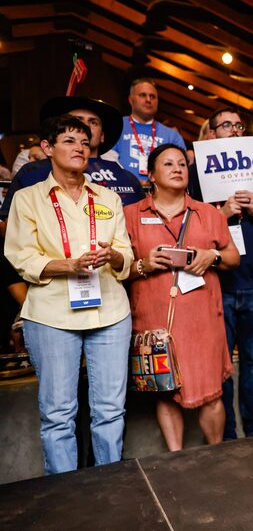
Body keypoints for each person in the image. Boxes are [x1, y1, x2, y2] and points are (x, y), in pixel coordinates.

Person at [4, 115, 134, 474]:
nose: (80, 148)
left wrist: (116, 255)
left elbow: (127, 251)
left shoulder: (107, 197)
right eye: (69, 141)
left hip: (110, 311)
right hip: (51, 315)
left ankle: (110, 488)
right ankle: (64, 500)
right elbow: (20, 254)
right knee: (58, 414)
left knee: (110, 410)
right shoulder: (28, 197)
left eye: (84, 142)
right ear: (47, 148)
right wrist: (69, 265)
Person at [124, 144, 240, 450]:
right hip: (154, 317)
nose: (178, 169)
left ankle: (216, 454)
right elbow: (118, 268)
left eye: (182, 164)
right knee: (164, 388)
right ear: (151, 174)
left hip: (202, 318)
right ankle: (174, 458)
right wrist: (143, 264)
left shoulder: (209, 213)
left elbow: (233, 257)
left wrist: (211, 255)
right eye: (168, 164)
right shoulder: (131, 216)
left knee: (211, 390)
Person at [188, 107, 253, 441]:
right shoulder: (197, 172)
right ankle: (225, 438)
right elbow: (189, 230)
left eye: (238, 125)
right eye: (225, 124)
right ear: (210, 133)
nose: (233, 129)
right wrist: (220, 214)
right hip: (217, 282)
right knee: (222, 365)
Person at [0, 96, 146, 222]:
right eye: (76, 121)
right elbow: (10, 226)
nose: (84, 126)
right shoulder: (32, 172)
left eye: (93, 122)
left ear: (102, 136)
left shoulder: (126, 179)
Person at [112, 78, 186, 181]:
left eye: (152, 96)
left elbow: (181, 170)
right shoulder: (116, 126)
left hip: (161, 193)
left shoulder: (172, 136)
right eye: (143, 95)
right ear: (131, 100)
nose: (148, 100)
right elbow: (108, 162)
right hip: (123, 191)